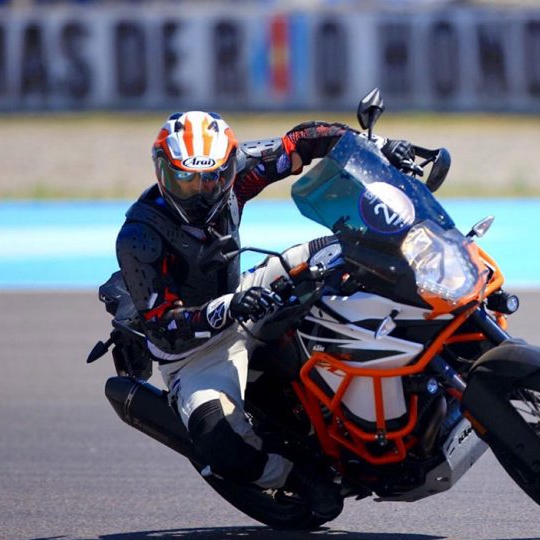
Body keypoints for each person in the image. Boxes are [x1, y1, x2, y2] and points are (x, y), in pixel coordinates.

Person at [114, 111, 415, 516]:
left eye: (210, 179)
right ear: (163, 172)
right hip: (195, 351)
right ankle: (291, 475)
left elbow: (302, 140)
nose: (200, 193)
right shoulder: (139, 236)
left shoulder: (236, 177)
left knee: (349, 247)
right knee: (222, 444)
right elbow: (163, 326)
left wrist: (377, 148)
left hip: (245, 293)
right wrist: (225, 309)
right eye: (185, 180)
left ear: (227, 169)